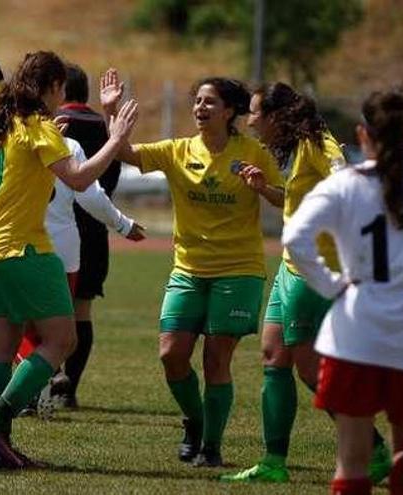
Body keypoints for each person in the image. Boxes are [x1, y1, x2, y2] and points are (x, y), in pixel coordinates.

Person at [101, 70, 284, 467]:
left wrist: (263, 188)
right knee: (171, 354)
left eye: (210, 102)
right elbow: (125, 153)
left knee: (216, 360)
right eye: (198, 101)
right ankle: (196, 421)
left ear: (230, 111)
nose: (200, 108)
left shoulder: (254, 153)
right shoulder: (178, 150)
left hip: (239, 270)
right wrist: (111, 111)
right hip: (188, 269)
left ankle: (212, 448)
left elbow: (285, 199)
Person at [0, 51, 138, 469]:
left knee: (1, 346)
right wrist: (115, 140)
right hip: (24, 248)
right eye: (60, 87)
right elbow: (80, 180)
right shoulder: (40, 128)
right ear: (50, 88)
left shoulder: (5, 122)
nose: (63, 95)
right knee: (63, 340)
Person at [222, 83, 391, 483]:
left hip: (312, 272)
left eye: (254, 113)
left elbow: (342, 174)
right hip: (288, 267)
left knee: (310, 370)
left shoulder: (318, 142)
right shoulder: (296, 148)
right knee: (272, 357)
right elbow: (300, 200)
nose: (249, 121)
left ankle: (376, 451)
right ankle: (273, 463)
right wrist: (266, 189)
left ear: (277, 116)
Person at [283, 91, 403, 495]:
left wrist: (332, 284)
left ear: (362, 134)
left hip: (355, 336)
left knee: (352, 460)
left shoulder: (345, 186)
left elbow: (295, 237)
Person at [0, 135, 145, 420]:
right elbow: (89, 193)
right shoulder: (66, 144)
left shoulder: (2, 140)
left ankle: (33, 390)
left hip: (14, 247)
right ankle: (41, 385)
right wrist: (122, 224)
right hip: (62, 251)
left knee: (16, 332)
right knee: (57, 333)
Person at [54, 63, 127, 407]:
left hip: (53, 225)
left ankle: (40, 384)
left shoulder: (50, 125)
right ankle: (69, 390)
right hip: (95, 228)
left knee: (43, 311)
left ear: (59, 89)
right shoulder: (107, 126)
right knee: (81, 311)